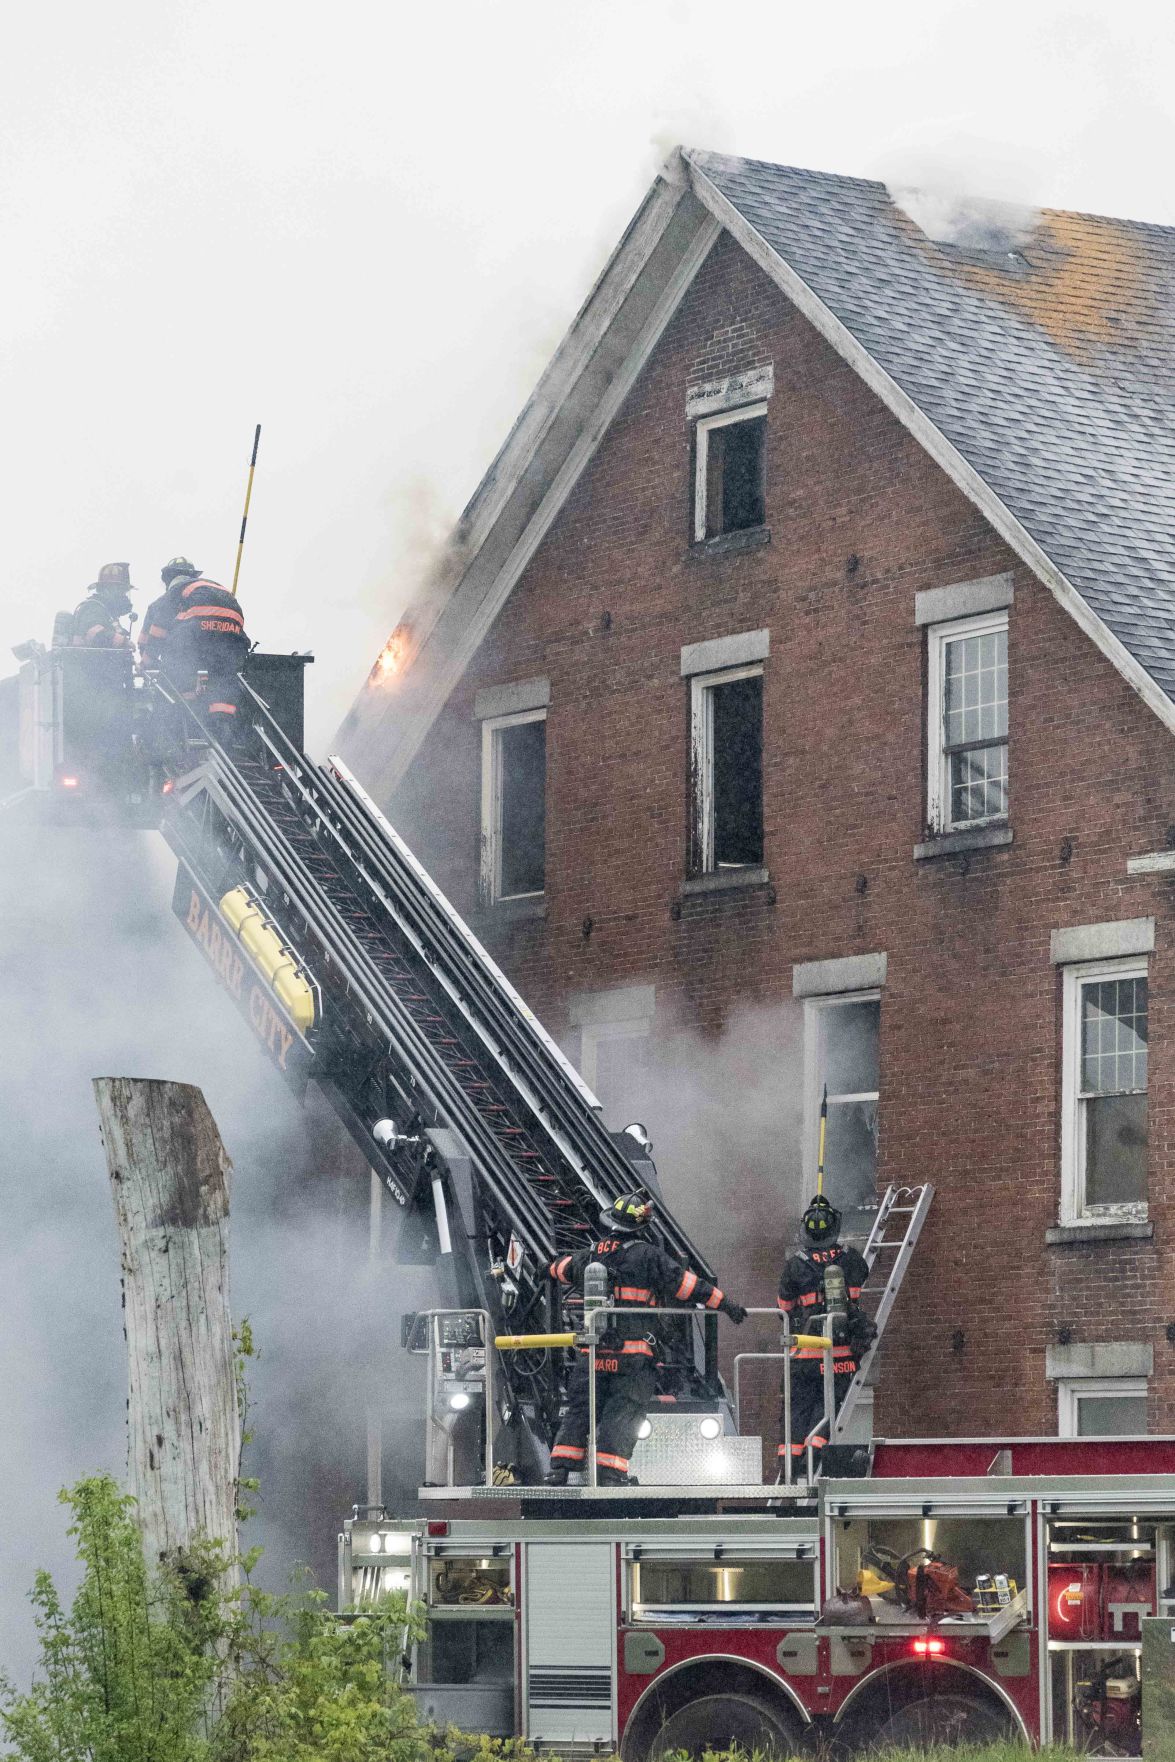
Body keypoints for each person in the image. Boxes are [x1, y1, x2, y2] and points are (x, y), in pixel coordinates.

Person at [545, 1192, 747, 1487]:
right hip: (633, 1356)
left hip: (593, 1353)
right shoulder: (648, 1256)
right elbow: (687, 1286)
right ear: (641, 1226)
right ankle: (611, 1473)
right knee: (623, 1411)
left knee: (580, 1409)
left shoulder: (592, 1254)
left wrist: (542, 1269)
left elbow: (561, 1269)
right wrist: (725, 1303)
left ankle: (559, 1470)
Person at [777, 1195, 874, 1472]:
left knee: (796, 1414)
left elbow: (783, 1308)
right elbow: (862, 1276)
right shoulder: (852, 1259)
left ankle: (790, 1467)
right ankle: (812, 1459)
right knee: (827, 1412)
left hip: (803, 1358)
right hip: (839, 1357)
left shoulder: (795, 1264)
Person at [143, 557, 249, 739]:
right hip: (232, 636)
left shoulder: (172, 593)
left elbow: (157, 631)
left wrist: (147, 661)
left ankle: (184, 720)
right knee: (222, 677)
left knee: (177, 670)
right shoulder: (214, 588)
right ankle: (222, 724)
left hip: (197, 633)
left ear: (168, 579)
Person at [70, 562, 136, 649]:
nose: (124, 596)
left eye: (125, 592)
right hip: (87, 662)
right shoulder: (93, 608)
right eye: (121, 591)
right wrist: (123, 642)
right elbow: (96, 635)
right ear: (107, 589)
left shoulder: (107, 613)